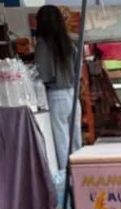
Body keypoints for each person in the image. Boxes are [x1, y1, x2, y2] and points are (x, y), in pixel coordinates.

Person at [34, 5, 81, 171]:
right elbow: (78, 71)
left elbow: (42, 75)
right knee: (76, 142)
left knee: (62, 143)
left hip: (56, 96)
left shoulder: (43, 44)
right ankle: (79, 177)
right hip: (73, 95)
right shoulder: (70, 42)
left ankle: (67, 181)